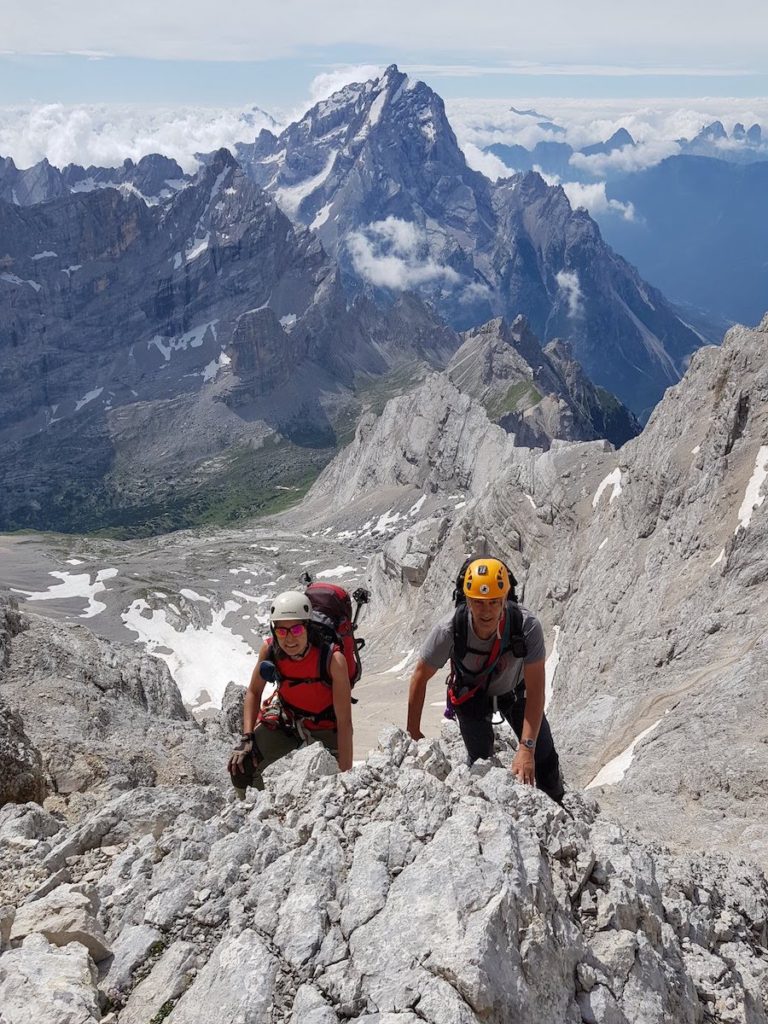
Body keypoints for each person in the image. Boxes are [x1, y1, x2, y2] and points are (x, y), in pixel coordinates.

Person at [406, 557, 564, 801]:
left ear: (505, 598)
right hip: (471, 696)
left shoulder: (526, 626)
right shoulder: (450, 629)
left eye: (494, 602)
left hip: (516, 693)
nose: (487, 610)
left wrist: (526, 748)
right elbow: (419, 676)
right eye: (479, 602)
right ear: (467, 600)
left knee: (544, 758)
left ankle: (556, 802)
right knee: (481, 764)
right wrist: (413, 732)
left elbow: (535, 691)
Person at [228, 590, 354, 796]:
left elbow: (344, 722)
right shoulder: (270, 650)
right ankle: (257, 818)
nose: (289, 639)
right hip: (288, 720)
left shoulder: (333, 659)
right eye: (281, 631)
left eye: (296, 630)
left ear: (308, 627)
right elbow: (253, 691)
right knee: (241, 767)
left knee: (330, 790)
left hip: (327, 727)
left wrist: (346, 777)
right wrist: (247, 737)